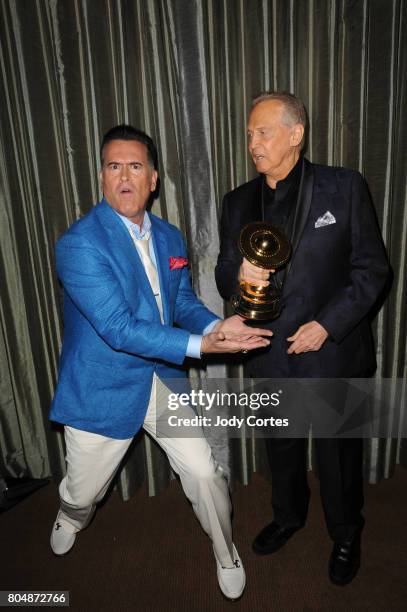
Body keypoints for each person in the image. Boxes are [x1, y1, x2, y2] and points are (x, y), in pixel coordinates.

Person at [49, 124, 272, 601]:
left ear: (152, 179)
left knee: (204, 472)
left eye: (135, 166)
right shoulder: (79, 244)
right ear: (102, 177)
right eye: (114, 166)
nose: (124, 176)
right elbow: (118, 327)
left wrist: (216, 326)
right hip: (103, 384)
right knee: (83, 491)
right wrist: (201, 347)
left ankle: (224, 548)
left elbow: (181, 303)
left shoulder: (170, 236)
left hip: (160, 380)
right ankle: (70, 512)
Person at [215, 92, 389, 586]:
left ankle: (346, 533)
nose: (253, 142)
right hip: (268, 352)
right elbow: (225, 270)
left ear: (296, 134)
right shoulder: (237, 200)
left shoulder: (344, 187)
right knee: (281, 446)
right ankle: (289, 515)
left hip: (332, 351)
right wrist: (240, 279)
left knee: (338, 455)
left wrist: (328, 325)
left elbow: (372, 269)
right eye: (249, 133)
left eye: (263, 131)